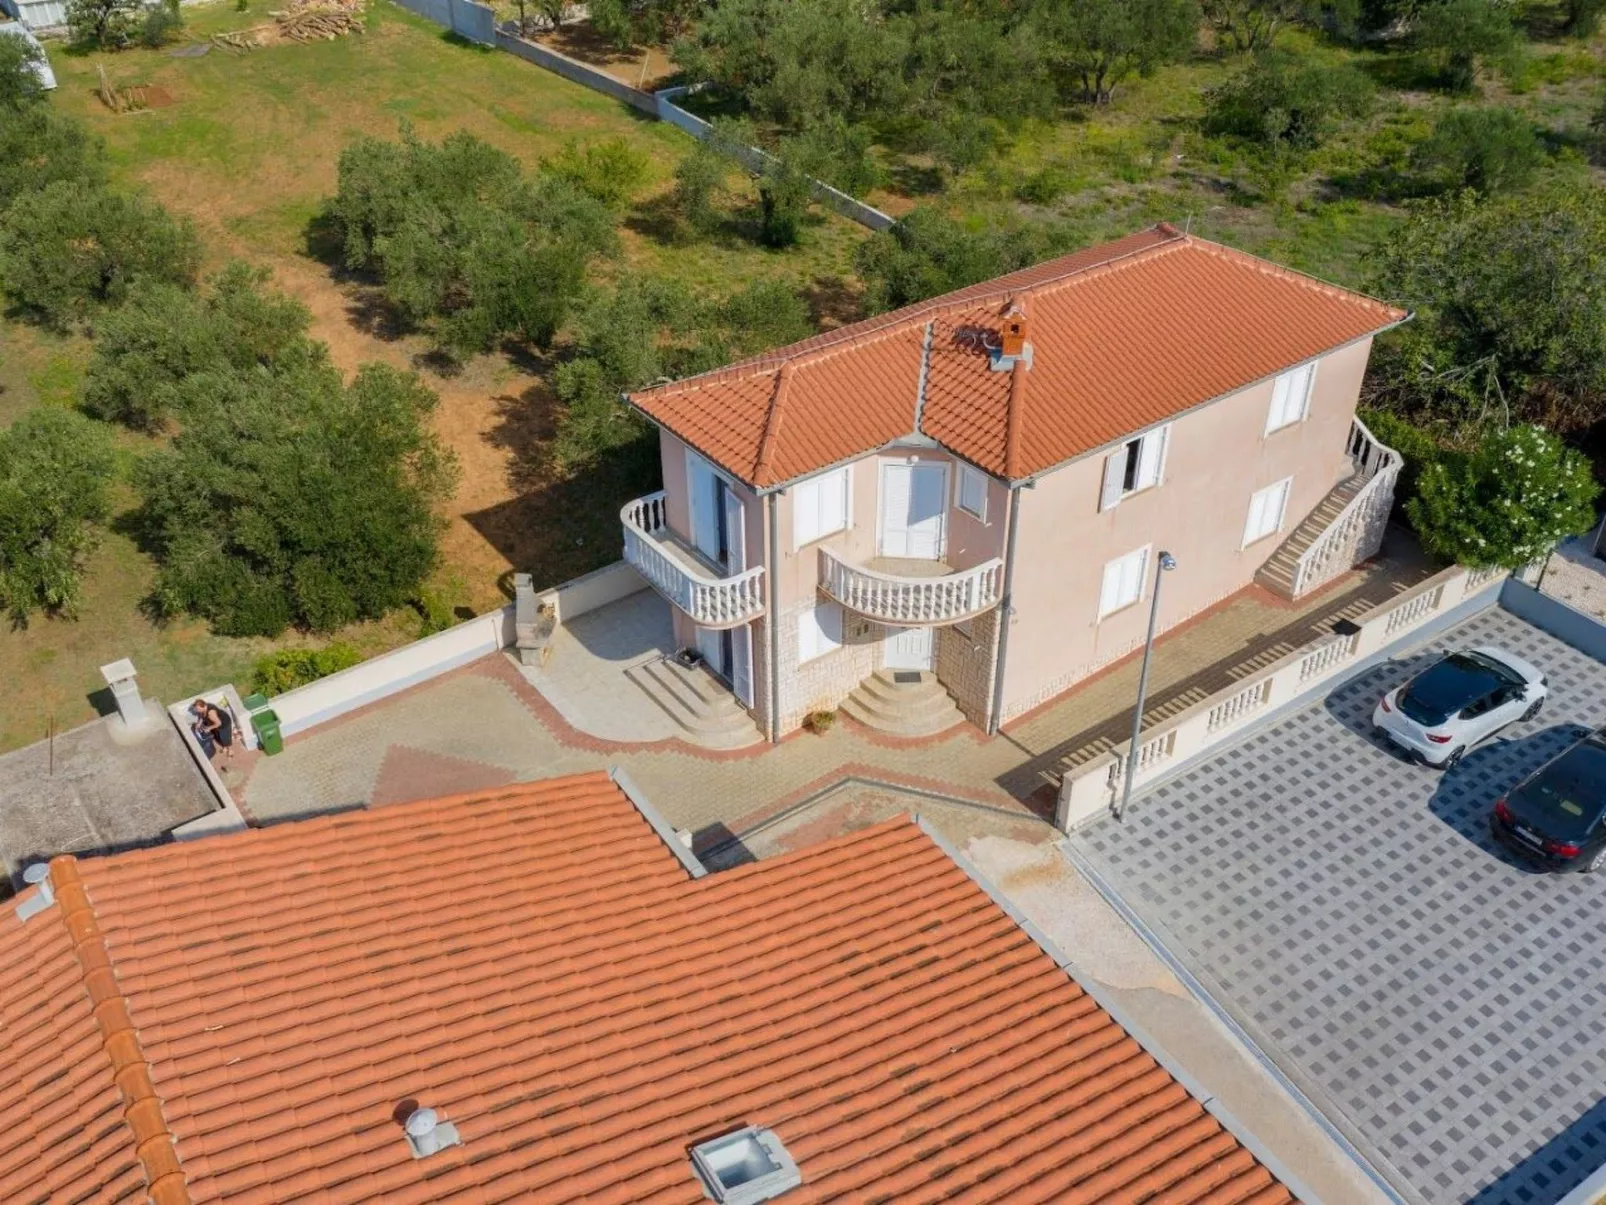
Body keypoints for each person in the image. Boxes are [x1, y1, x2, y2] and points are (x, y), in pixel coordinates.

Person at [190, 699, 236, 766]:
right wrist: (199, 723)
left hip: (224, 724)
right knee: (219, 736)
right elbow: (201, 715)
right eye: (196, 709)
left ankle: (230, 751)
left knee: (225, 738)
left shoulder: (210, 713)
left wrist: (209, 728)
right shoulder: (204, 708)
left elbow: (218, 723)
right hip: (217, 723)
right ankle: (225, 747)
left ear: (203, 706)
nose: (197, 711)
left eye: (198, 709)